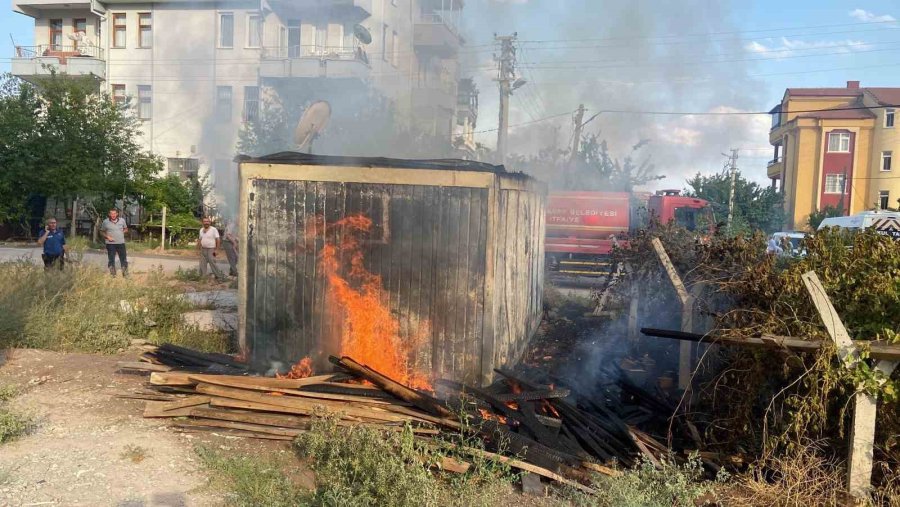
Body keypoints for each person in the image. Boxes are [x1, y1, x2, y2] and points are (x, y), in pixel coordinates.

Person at [101, 208, 128, 277]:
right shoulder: (105, 222)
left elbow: (126, 229)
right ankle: (113, 274)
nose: (113, 215)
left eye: (114, 213)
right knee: (111, 258)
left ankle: (125, 273)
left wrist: (122, 232)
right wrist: (107, 237)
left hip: (121, 243)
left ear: (117, 214)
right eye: (111, 214)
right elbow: (102, 231)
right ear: (109, 214)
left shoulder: (122, 220)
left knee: (123, 258)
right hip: (110, 244)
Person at [198, 217, 226, 282]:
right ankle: (202, 277)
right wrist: (197, 249)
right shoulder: (201, 230)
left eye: (207, 221)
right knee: (202, 263)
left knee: (212, 263)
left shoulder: (214, 229)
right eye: (204, 221)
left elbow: (218, 240)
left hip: (211, 249)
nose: (206, 223)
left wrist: (217, 250)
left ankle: (219, 277)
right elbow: (200, 239)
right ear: (203, 222)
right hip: (203, 249)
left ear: (210, 222)